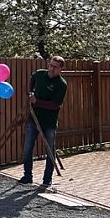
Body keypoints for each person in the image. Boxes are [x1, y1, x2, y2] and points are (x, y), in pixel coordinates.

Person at [18, 56, 67, 186]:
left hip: (49, 122)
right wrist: (30, 92)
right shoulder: (40, 74)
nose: (51, 68)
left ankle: (47, 179)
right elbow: (32, 79)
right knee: (28, 149)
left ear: (61, 69)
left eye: (55, 67)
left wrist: (37, 102)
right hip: (33, 119)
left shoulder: (61, 84)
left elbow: (55, 105)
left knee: (50, 150)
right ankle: (27, 176)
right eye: (50, 65)